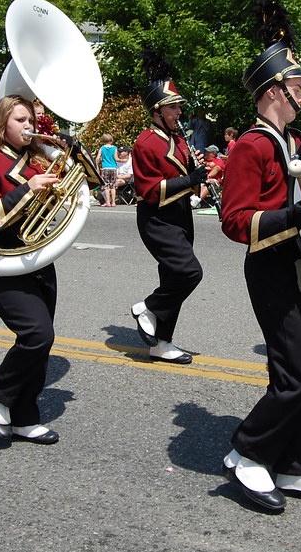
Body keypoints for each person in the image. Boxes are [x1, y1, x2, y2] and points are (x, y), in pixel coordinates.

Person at [219, 0, 301, 512]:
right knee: (297, 373)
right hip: (269, 267)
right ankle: (249, 451)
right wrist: (295, 216)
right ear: (274, 91)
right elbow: (235, 223)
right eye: (296, 88)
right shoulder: (251, 146)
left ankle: (294, 463)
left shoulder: (292, 139)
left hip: (298, 267)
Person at [0, 95, 99, 445]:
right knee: (37, 335)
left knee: (41, 343)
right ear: (1, 123)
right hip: (4, 258)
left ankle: (25, 416)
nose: (30, 126)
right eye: (21, 120)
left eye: (32, 120)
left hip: (39, 257)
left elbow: (93, 181)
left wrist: (73, 150)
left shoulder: (38, 154)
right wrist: (29, 188)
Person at [129, 51, 206, 365]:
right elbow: (149, 190)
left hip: (180, 215)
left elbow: (187, 174)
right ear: (157, 111)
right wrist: (190, 179)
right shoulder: (145, 142)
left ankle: (162, 342)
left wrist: (200, 171)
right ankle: (146, 307)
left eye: (178, 107)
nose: (178, 112)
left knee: (171, 277)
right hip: (157, 218)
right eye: (173, 107)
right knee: (189, 272)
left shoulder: (178, 137)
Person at [98, 133, 118, 207]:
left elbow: (97, 158)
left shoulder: (102, 148)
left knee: (106, 186)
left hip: (105, 167)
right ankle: (113, 202)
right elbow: (116, 158)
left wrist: (98, 163)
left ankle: (108, 202)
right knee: (113, 186)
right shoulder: (114, 148)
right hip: (113, 167)